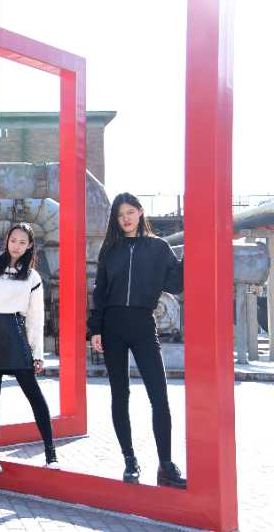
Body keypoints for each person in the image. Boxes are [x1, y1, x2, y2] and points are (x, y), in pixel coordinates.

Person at [89, 192, 186, 489]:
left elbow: (176, 283)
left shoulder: (158, 247)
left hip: (144, 325)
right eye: (121, 215)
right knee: (120, 395)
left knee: (160, 396)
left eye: (130, 212)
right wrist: (95, 329)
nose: (126, 219)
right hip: (113, 327)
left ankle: (166, 466)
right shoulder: (110, 250)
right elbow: (100, 292)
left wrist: (191, 253)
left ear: (140, 212)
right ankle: (130, 460)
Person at [0, 223, 59, 484]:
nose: (16, 245)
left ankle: (51, 452)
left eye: (22, 242)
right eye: (13, 240)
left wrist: (38, 353)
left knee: (34, 396)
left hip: (16, 336)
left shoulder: (32, 278)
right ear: (6, 240)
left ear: (30, 246)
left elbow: (36, 318)